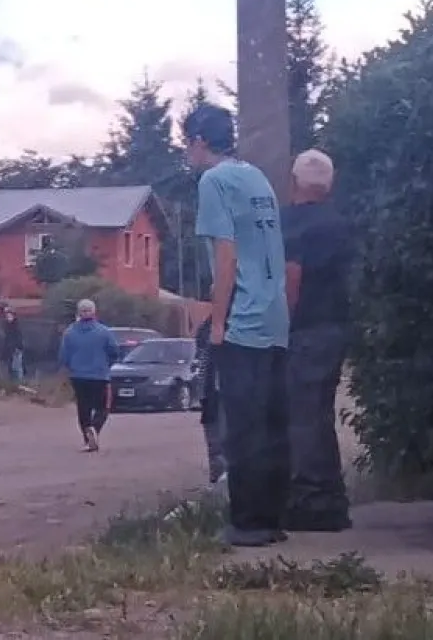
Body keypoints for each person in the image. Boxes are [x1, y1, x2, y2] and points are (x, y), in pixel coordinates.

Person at [183, 101, 291, 547]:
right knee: (271, 422)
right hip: (274, 313)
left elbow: (225, 258)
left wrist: (218, 321)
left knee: (241, 425)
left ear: (199, 142)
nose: (186, 153)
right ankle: (272, 517)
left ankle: (247, 523)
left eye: (186, 143)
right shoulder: (256, 177)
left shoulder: (214, 181)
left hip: (243, 317)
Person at [281, 149, 354, 531]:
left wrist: (283, 325)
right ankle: (331, 500)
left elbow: (292, 275)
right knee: (319, 415)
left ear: (294, 183)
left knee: (303, 418)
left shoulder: (291, 223)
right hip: (334, 328)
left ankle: (311, 503)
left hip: (304, 330)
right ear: (330, 184)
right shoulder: (338, 224)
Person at [58, 299, 120, 452]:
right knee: (103, 407)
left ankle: (87, 440)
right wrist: (107, 364)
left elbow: (63, 356)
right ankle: (95, 428)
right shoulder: (104, 332)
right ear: (94, 312)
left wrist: (69, 368)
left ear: (79, 313)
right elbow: (114, 352)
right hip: (99, 375)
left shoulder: (70, 332)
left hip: (78, 376)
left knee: (83, 407)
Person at [195, 314, 226, 486]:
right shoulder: (211, 326)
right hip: (212, 395)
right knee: (216, 445)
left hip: (220, 395)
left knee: (220, 445)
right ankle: (217, 484)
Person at [1, 307, 25, 382]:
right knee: (11, 367)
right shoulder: (6, 326)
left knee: (17, 367)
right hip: (9, 349)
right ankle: (13, 383)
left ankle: (19, 382)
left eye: (9, 316)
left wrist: (17, 348)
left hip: (16, 349)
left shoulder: (16, 325)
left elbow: (18, 338)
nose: (8, 318)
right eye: (7, 317)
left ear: (13, 316)